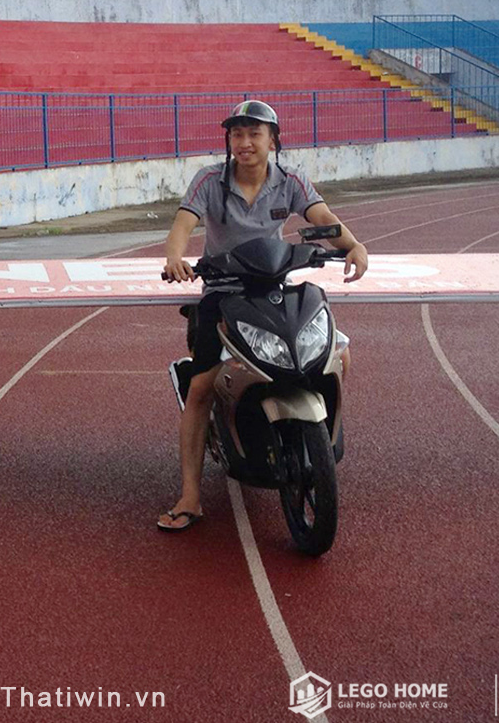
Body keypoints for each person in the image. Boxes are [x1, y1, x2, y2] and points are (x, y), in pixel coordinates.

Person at [156, 99, 368, 532]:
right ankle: (190, 496)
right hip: (224, 290)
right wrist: (175, 257)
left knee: (340, 357)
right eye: (237, 134)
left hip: (274, 285)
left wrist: (354, 246)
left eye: (254, 133)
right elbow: (182, 226)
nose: (245, 142)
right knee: (201, 388)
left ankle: (312, 441)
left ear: (273, 141)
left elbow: (323, 218)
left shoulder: (290, 181)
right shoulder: (210, 181)